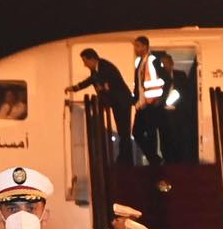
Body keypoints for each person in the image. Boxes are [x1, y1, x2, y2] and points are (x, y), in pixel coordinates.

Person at [65, 48, 133, 164]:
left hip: (122, 101)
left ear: (92, 59)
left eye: (85, 61)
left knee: (124, 130)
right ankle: (125, 158)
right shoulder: (97, 70)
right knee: (122, 131)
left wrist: (102, 91)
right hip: (117, 102)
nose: (84, 65)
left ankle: (125, 159)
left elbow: (105, 85)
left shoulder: (105, 67)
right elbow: (91, 81)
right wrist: (75, 88)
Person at [130, 36, 166, 165]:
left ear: (145, 46)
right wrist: (136, 100)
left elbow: (165, 79)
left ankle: (154, 161)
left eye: (138, 46)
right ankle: (154, 158)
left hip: (152, 102)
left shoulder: (153, 60)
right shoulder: (140, 62)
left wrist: (160, 99)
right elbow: (140, 85)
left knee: (150, 132)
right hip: (143, 103)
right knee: (137, 132)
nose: (136, 49)